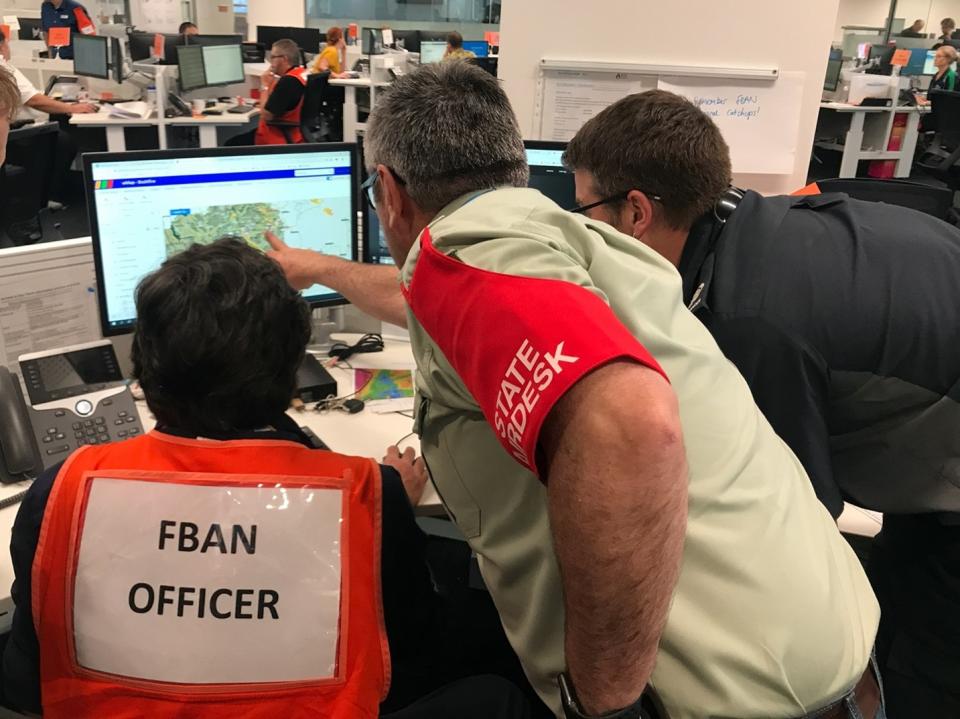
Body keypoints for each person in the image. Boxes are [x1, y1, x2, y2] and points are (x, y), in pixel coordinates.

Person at [268, 62, 881, 719]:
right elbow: (429, 295)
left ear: (387, 192)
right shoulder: (564, 237)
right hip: (837, 655)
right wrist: (315, 268)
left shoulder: (459, 253)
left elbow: (630, 419)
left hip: (724, 701)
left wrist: (604, 706)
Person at [0, 238, 534, 719]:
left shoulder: (63, 489)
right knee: (494, 681)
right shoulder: (364, 494)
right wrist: (382, 492)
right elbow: (410, 658)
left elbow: (28, 677)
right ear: (290, 372)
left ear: (143, 364)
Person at [563, 88, 960, 718]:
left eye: (583, 210)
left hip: (947, 478)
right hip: (934, 430)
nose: (579, 228)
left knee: (916, 672)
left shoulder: (755, 317)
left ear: (636, 211)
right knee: (884, 601)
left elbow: (794, 512)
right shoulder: (750, 224)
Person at [0, 30, 95, 207]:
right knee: (62, 142)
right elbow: (33, 100)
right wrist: (70, 108)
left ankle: (44, 195)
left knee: (60, 136)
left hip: (14, 129)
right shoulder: (3, 67)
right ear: (3, 45)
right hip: (13, 133)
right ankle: (46, 198)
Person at [227, 39, 306, 146]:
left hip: (277, 138)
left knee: (230, 144)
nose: (270, 61)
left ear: (284, 59)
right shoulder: (301, 74)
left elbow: (266, 115)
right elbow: (284, 104)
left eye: (273, 57)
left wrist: (264, 85)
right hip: (296, 135)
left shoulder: (288, 82)